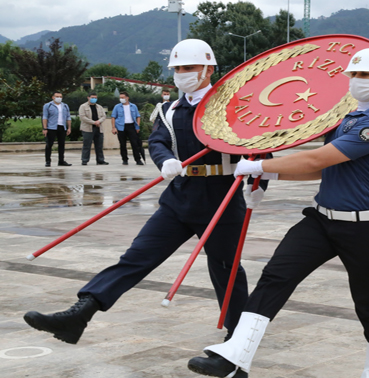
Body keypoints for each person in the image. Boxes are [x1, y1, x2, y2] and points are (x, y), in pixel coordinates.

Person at [187, 47, 369, 378]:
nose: (356, 81)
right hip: (322, 220)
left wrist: (260, 163)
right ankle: (234, 357)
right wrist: (267, 174)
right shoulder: (348, 119)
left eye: (365, 75)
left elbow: (317, 160)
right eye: (353, 75)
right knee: (276, 276)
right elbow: (322, 171)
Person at [23, 39, 251, 345]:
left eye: (190, 67)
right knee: (136, 257)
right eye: (179, 68)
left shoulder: (232, 104)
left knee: (226, 269)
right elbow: (156, 141)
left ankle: (238, 338)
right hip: (180, 196)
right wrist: (165, 159)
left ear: (209, 69)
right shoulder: (170, 109)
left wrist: (256, 176)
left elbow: (261, 143)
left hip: (222, 196)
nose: (183, 73)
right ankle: (81, 313)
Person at [111, 91, 144, 165]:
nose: (121, 99)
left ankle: (138, 159)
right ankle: (125, 159)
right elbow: (113, 117)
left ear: (127, 98)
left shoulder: (133, 106)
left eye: (123, 97)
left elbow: (138, 116)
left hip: (131, 126)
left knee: (135, 144)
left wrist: (137, 126)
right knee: (122, 144)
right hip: (121, 127)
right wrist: (113, 127)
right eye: (120, 98)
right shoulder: (117, 106)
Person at [41, 91, 72, 167]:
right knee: (49, 144)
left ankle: (61, 161)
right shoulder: (48, 105)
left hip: (62, 127)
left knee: (61, 144)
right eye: (57, 96)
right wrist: (45, 128)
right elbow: (45, 117)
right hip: (51, 127)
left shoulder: (65, 106)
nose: (59, 98)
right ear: (53, 97)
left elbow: (68, 117)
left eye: (60, 97)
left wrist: (69, 128)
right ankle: (48, 161)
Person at [78, 92, 108, 165]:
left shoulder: (99, 107)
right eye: (92, 97)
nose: (94, 99)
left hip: (98, 128)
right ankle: (84, 160)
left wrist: (98, 121)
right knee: (87, 145)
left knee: (99, 145)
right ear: (88, 97)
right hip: (87, 129)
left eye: (95, 98)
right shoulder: (83, 106)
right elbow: (83, 117)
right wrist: (93, 122)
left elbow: (104, 116)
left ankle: (100, 160)